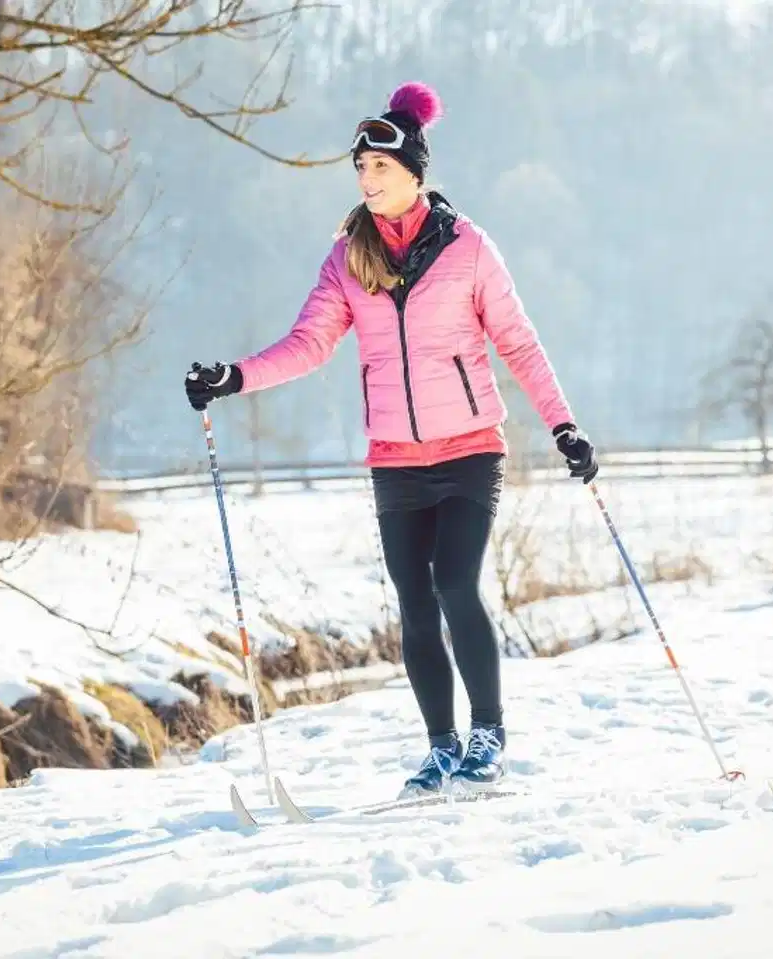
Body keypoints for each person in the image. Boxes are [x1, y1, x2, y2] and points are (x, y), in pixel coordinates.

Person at [184, 81, 599, 798]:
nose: (367, 179)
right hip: (395, 458)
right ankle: (441, 748)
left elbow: (519, 343)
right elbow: (309, 344)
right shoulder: (349, 257)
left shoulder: (469, 249)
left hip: (469, 448)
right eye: (360, 168)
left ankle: (488, 735)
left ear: (413, 172)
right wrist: (234, 376)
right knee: (414, 603)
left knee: (455, 582)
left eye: (379, 166)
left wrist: (563, 424)